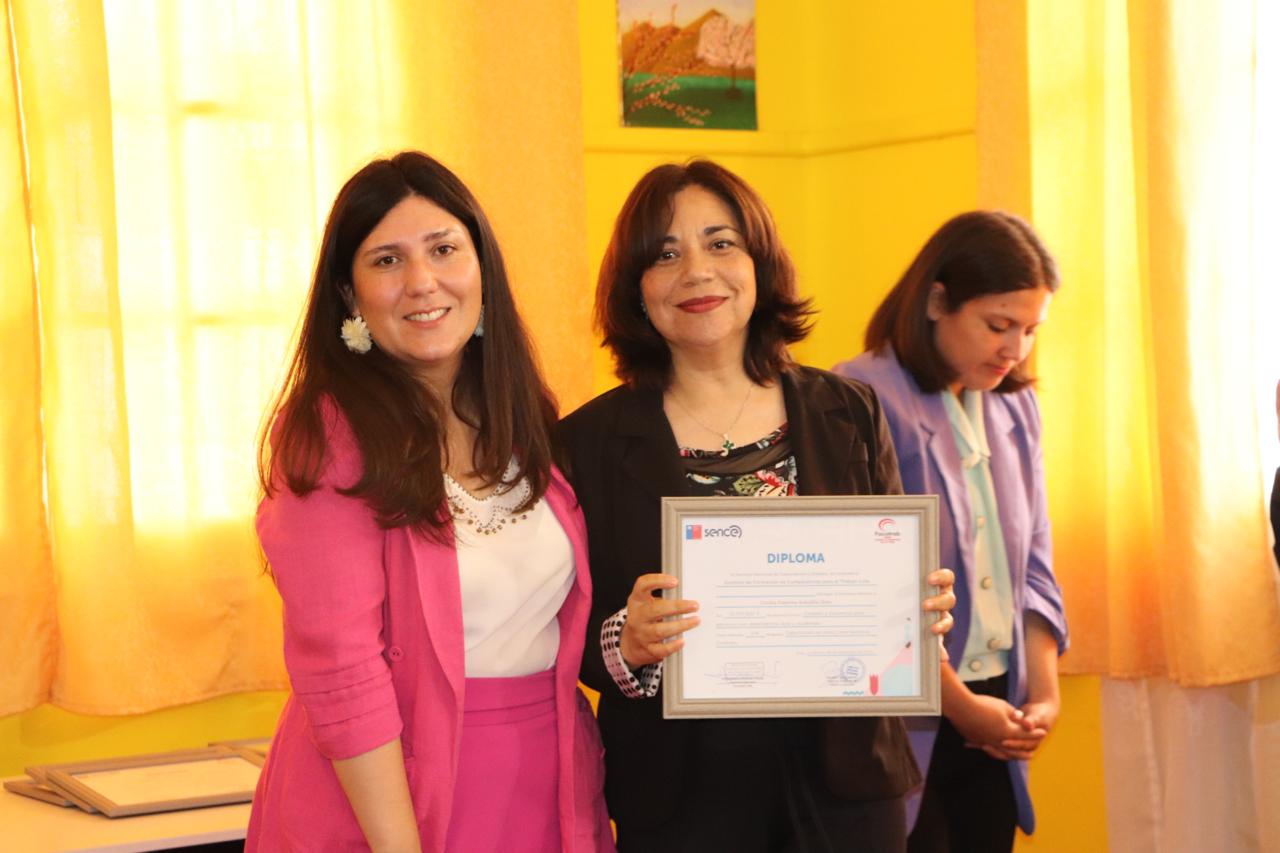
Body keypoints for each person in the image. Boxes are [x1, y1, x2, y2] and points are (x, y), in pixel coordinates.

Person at [558, 159, 956, 853]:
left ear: (759, 263)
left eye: (721, 243)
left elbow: (893, 585)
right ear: (634, 288)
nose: (697, 272)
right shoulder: (584, 442)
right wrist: (627, 642)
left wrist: (916, 613)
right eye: (665, 255)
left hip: (848, 784)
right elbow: (569, 633)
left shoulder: (850, 409)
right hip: (682, 796)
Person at [248, 151, 613, 853]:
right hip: (391, 801)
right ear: (349, 295)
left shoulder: (520, 414)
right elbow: (342, 671)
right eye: (386, 260)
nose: (421, 281)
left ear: (482, 267)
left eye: (443, 249)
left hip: (547, 781)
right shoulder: (326, 437)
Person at [833, 211, 1069, 853]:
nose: (1015, 349)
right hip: (906, 711)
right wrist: (960, 706)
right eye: (998, 325)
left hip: (1000, 702)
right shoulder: (858, 395)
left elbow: (1035, 562)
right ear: (937, 302)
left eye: (1030, 330)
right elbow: (864, 590)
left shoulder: (1015, 402)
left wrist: (1044, 696)